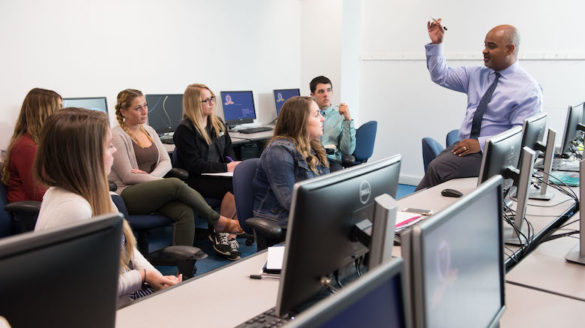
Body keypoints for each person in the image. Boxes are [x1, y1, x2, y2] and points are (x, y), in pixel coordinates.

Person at [33, 108, 181, 307]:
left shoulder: (95, 191)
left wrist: (155, 275)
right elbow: (92, 287)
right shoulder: (73, 208)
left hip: (120, 297)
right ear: (87, 155)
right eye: (109, 146)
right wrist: (143, 276)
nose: (115, 151)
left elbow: (127, 248)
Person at [109, 89, 242, 260]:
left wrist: (155, 180)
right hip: (128, 192)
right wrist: (158, 182)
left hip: (152, 188)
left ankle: (184, 267)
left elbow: (166, 161)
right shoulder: (117, 135)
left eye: (145, 106)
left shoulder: (149, 130)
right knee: (175, 183)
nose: (144, 111)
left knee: (184, 212)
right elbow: (128, 176)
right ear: (123, 112)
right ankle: (218, 221)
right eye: (137, 108)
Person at [416, 21, 543, 190]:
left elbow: (521, 135)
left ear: (510, 49)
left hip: (495, 155)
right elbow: (441, 76)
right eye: (484, 45)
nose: (484, 51)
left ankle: (412, 214)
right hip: (466, 147)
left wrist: (482, 143)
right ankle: (414, 213)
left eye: (491, 46)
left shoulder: (527, 89)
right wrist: (437, 44)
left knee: (438, 168)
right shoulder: (476, 74)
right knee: (437, 166)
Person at [252, 96, 330, 227]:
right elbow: (290, 201)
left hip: (307, 214)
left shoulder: (315, 147)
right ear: (300, 121)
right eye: (317, 115)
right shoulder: (278, 151)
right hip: (282, 220)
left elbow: (326, 187)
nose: (322, 119)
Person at [1, 88, 62, 203]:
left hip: (44, 205)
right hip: (30, 212)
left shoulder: (40, 142)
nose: (62, 113)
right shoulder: (26, 147)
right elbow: (39, 193)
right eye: (59, 108)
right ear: (45, 113)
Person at [310, 75, 356, 172]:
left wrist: (347, 119)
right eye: (321, 91)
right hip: (310, 158)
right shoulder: (306, 115)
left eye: (328, 90)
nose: (326, 94)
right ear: (312, 95)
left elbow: (348, 151)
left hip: (330, 160)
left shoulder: (340, 117)